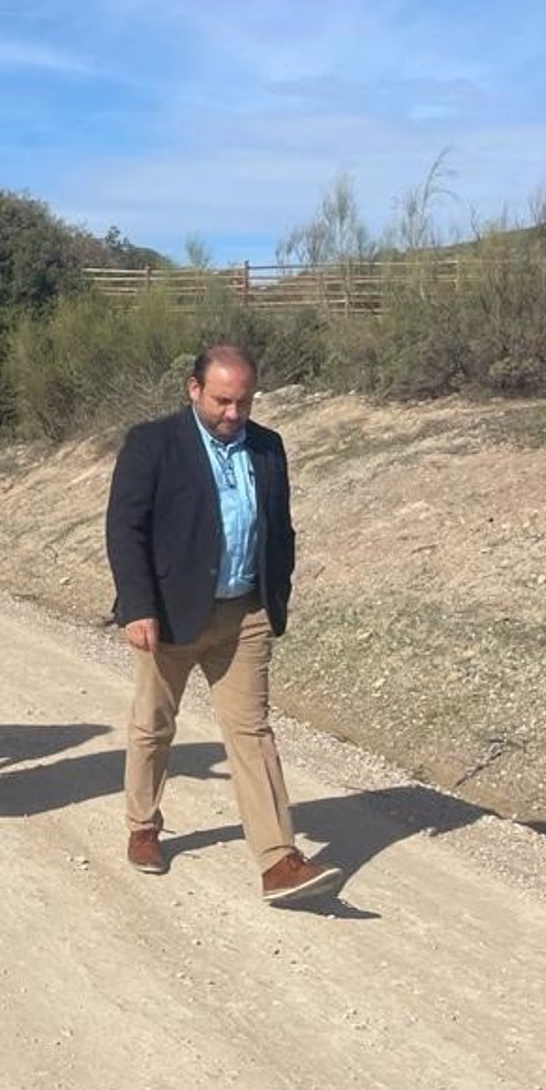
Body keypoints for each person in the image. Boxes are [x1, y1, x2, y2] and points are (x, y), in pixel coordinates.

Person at [104, 344, 344, 906]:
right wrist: (137, 604)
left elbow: (278, 528)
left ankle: (278, 861)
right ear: (193, 389)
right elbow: (124, 527)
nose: (233, 414)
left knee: (252, 731)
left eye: (243, 401)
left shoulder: (268, 447)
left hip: (245, 613)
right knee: (154, 723)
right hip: (168, 614)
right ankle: (143, 825)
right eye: (222, 401)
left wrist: (273, 594)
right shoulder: (153, 444)